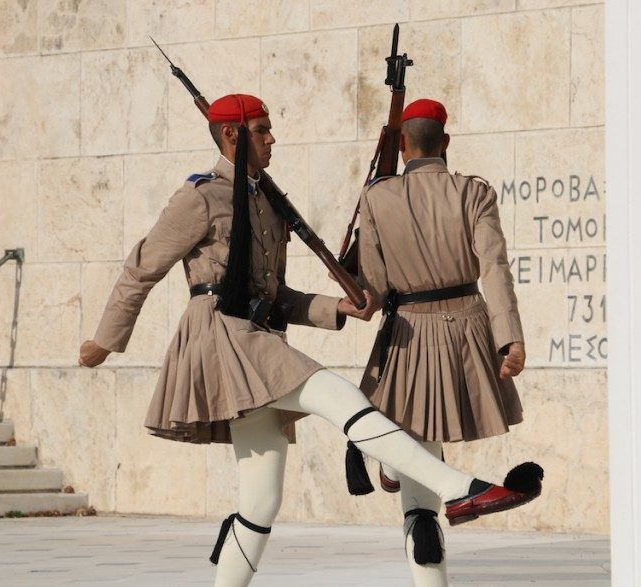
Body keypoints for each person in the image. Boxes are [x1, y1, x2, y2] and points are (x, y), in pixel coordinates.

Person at [78, 94, 536, 587]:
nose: (272, 138)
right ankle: (456, 487)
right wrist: (105, 340)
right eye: (262, 130)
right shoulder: (200, 197)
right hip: (219, 336)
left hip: (257, 338)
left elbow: (277, 296)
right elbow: (142, 267)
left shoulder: (267, 202)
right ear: (232, 134)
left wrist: (335, 307)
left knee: (260, 503)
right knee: (341, 396)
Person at [353, 98, 535, 586]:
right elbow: (494, 268)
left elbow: (374, 287)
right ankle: (400, 469)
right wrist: (510, 339)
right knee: (423, 453)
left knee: (416, 456)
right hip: (467, 333)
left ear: (402, 144)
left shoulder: (377, 197)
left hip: (409, 333)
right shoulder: (473, 192)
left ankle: (397, 469)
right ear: (445, 142)